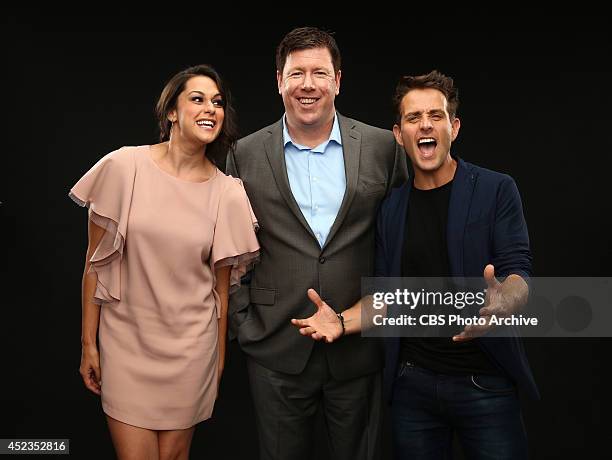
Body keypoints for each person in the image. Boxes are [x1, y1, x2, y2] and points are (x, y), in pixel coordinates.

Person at [292, 70, 539, 459]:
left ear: (453, 127)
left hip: (485, 383)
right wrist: (340, 321)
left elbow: (518, 272)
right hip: (414, 389)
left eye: (436, 116)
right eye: (413, 117)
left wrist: (504, 301)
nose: (425, 124)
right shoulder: (391, 209)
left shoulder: (495, 189)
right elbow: (389, 301)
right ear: (398, 134)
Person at [226, 27, 407, 460]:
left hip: (359, 348)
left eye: (320, 73)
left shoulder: (383, 147)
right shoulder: (244, 155)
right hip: (275, 345)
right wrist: (244, 322)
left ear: (338, 81)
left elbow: (403, 236)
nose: (308, 85)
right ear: (279, 81)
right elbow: (229, 250)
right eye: (296, 73)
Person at [69, 64, 259, 460]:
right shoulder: (123, 168)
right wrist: (89, 343)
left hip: (191, 352)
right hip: (126, 344)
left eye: (218, 102)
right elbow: (94, 264)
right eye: (198, 99)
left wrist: (217, 362)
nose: (211, 108)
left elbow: (221, 294)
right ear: (171, 112)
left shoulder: (228, 194)